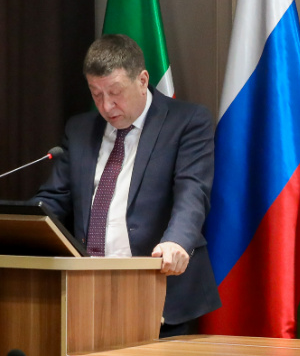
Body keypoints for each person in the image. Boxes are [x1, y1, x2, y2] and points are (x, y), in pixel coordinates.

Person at [34, 34, 221, 335]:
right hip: (87, 293)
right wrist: (20, 228)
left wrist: (177, 241)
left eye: (115, 92)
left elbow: (192, 191)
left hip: (159, 291)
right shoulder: (80, 129)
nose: (107, 106)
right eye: (96, 94)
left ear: (142, 80)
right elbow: (54, 199)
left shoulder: (187, 121)